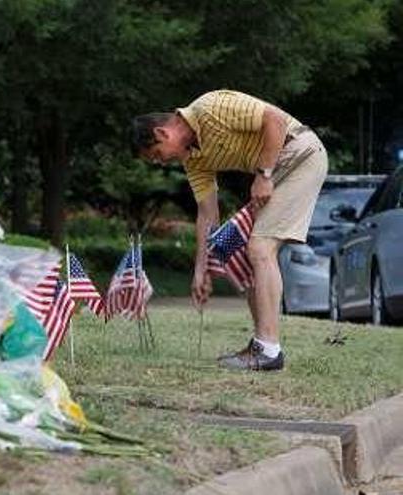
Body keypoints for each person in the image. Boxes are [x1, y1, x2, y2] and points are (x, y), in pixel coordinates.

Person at [131, 89, 328, 371]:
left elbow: (275, 120)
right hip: (278, 167)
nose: (161, 162)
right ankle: (261, 346)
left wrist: (264, 175)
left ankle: (269, 350)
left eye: (157, 155)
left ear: (163, 134)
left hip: (301, 154)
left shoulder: (210, 108)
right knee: (234, 247)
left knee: (260, 248)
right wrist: (201, 269)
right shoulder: (194, 158)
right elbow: (207, 213)